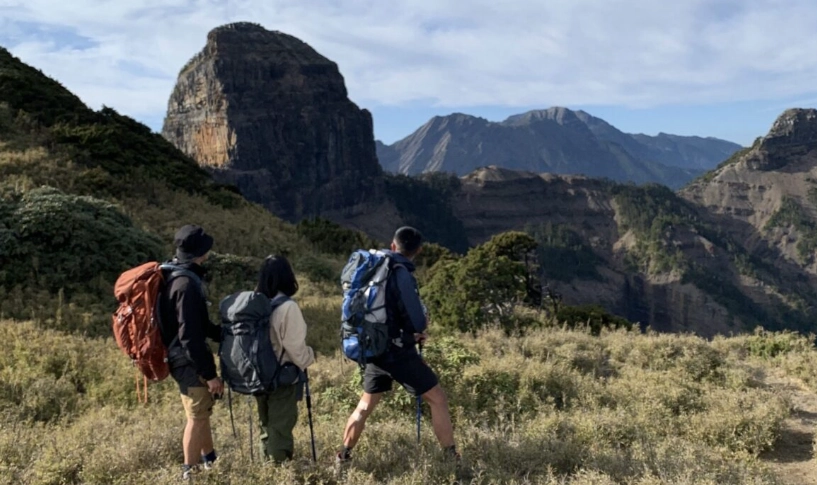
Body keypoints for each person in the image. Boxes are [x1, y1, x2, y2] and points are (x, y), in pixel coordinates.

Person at [335, 226, 459, 470]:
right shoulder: (401, 272)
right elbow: (416, 321)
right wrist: (419, 328)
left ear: (393, 245)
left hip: (373, 347)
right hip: (397, 351)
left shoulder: (375, 266)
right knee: (437, 399)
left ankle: (343, 457)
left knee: (365, 405)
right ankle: (451, 459)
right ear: (419, 251)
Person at [158, 225, 224, 481]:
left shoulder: (173, 275)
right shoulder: (186, 284)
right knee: (196, 417)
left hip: (177, 356)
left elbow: (198, 325)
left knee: (201, 411)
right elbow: (190, 336)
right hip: (186, 360)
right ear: (200, 253)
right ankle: (190, 472)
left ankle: (210, 461)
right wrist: (209, 375)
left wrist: (223, 335)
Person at [254, 255, 316, 463]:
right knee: (280, 426)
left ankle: (267, 465)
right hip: (282, 376)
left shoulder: (257, 304)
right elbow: (295, 347)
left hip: (257, 375)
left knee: (266, 424)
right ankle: (278, 470)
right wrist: (309, 358)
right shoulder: (288, 307)